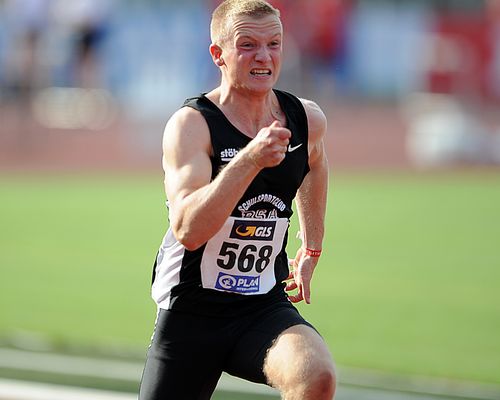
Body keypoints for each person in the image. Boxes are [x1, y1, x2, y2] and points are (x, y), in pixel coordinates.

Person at [138, 1, 336, 399]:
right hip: (192, 310)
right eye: (247, 45)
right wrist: (249, 159)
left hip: (261, 306)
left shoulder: (304, 118)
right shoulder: (193, 125)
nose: (263, 56)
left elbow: (315, 163)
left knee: (316, 375)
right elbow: (189, 231)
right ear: (219, 54)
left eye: (274, 44)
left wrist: (311, 246)